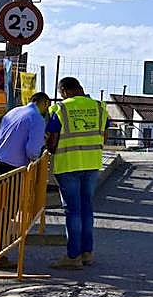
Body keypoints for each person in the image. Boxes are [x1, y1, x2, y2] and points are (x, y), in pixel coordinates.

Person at [46, 77, 109, 269]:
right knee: (86, 208)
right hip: (92, 164)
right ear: (80, 88)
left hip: (68, 165)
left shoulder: (60, 109)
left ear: (64, 91)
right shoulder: (99, 107)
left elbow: (53, 137)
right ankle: (87, 253)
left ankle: (73, 256)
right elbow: (104, 134)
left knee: (73, 210)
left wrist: (50, 150)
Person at [0, 91, 51, 268]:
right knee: (6, 212)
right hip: (10, 169)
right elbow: (32, 151)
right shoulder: (37, 119)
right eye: (47, 106)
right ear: (44, 103)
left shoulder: (13, 111)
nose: (47, 110)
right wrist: (41, 154)